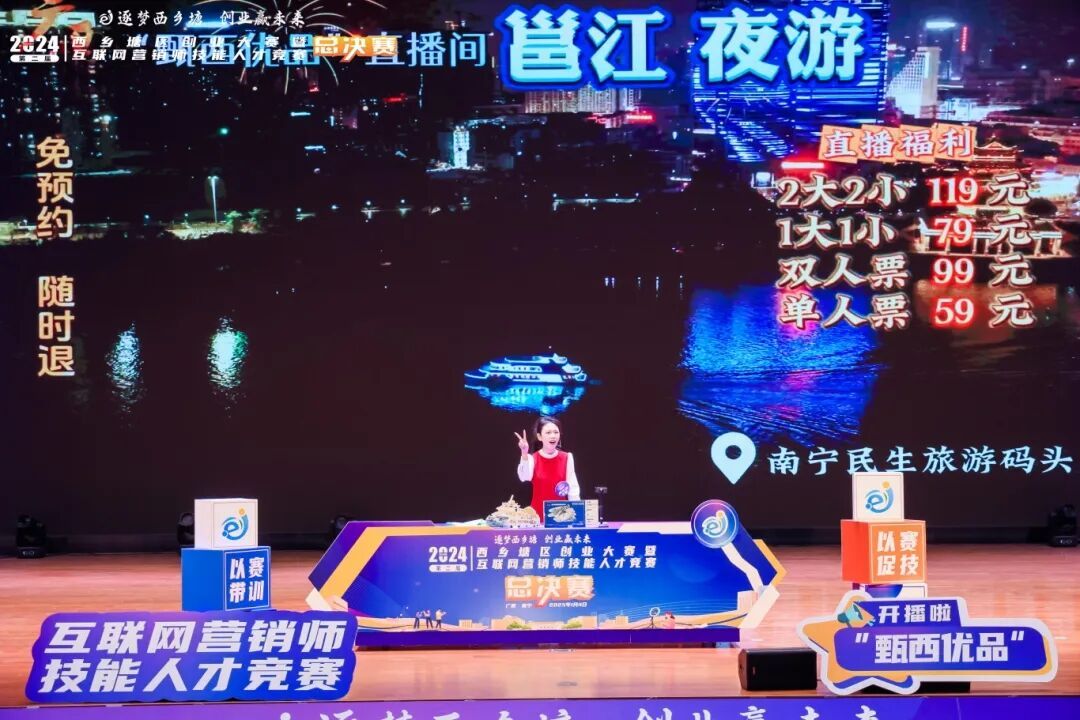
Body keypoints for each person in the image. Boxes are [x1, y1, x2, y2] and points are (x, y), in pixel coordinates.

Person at [515, 416, 581, 522]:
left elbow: (573, 490)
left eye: (556, 432)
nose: (553, 436)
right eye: (548, 433)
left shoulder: (567, 457)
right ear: (539, 436)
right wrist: (524, 452)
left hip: (560, 517)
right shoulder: (532, 459)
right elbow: (524, 477)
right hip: (537, 518)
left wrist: (577, 516)